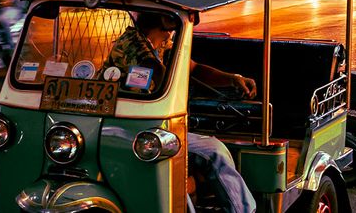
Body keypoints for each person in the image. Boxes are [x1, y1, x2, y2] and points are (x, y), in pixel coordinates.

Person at [104, 11, 257, 213]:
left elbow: (193, 69)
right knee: (213, 152)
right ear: (166, 21)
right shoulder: (132, 44)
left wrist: (231, 78)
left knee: (210, 150)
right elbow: (160, 77)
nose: (172, 35)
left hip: (152, 128)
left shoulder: (157, 44)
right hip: (129, 130)